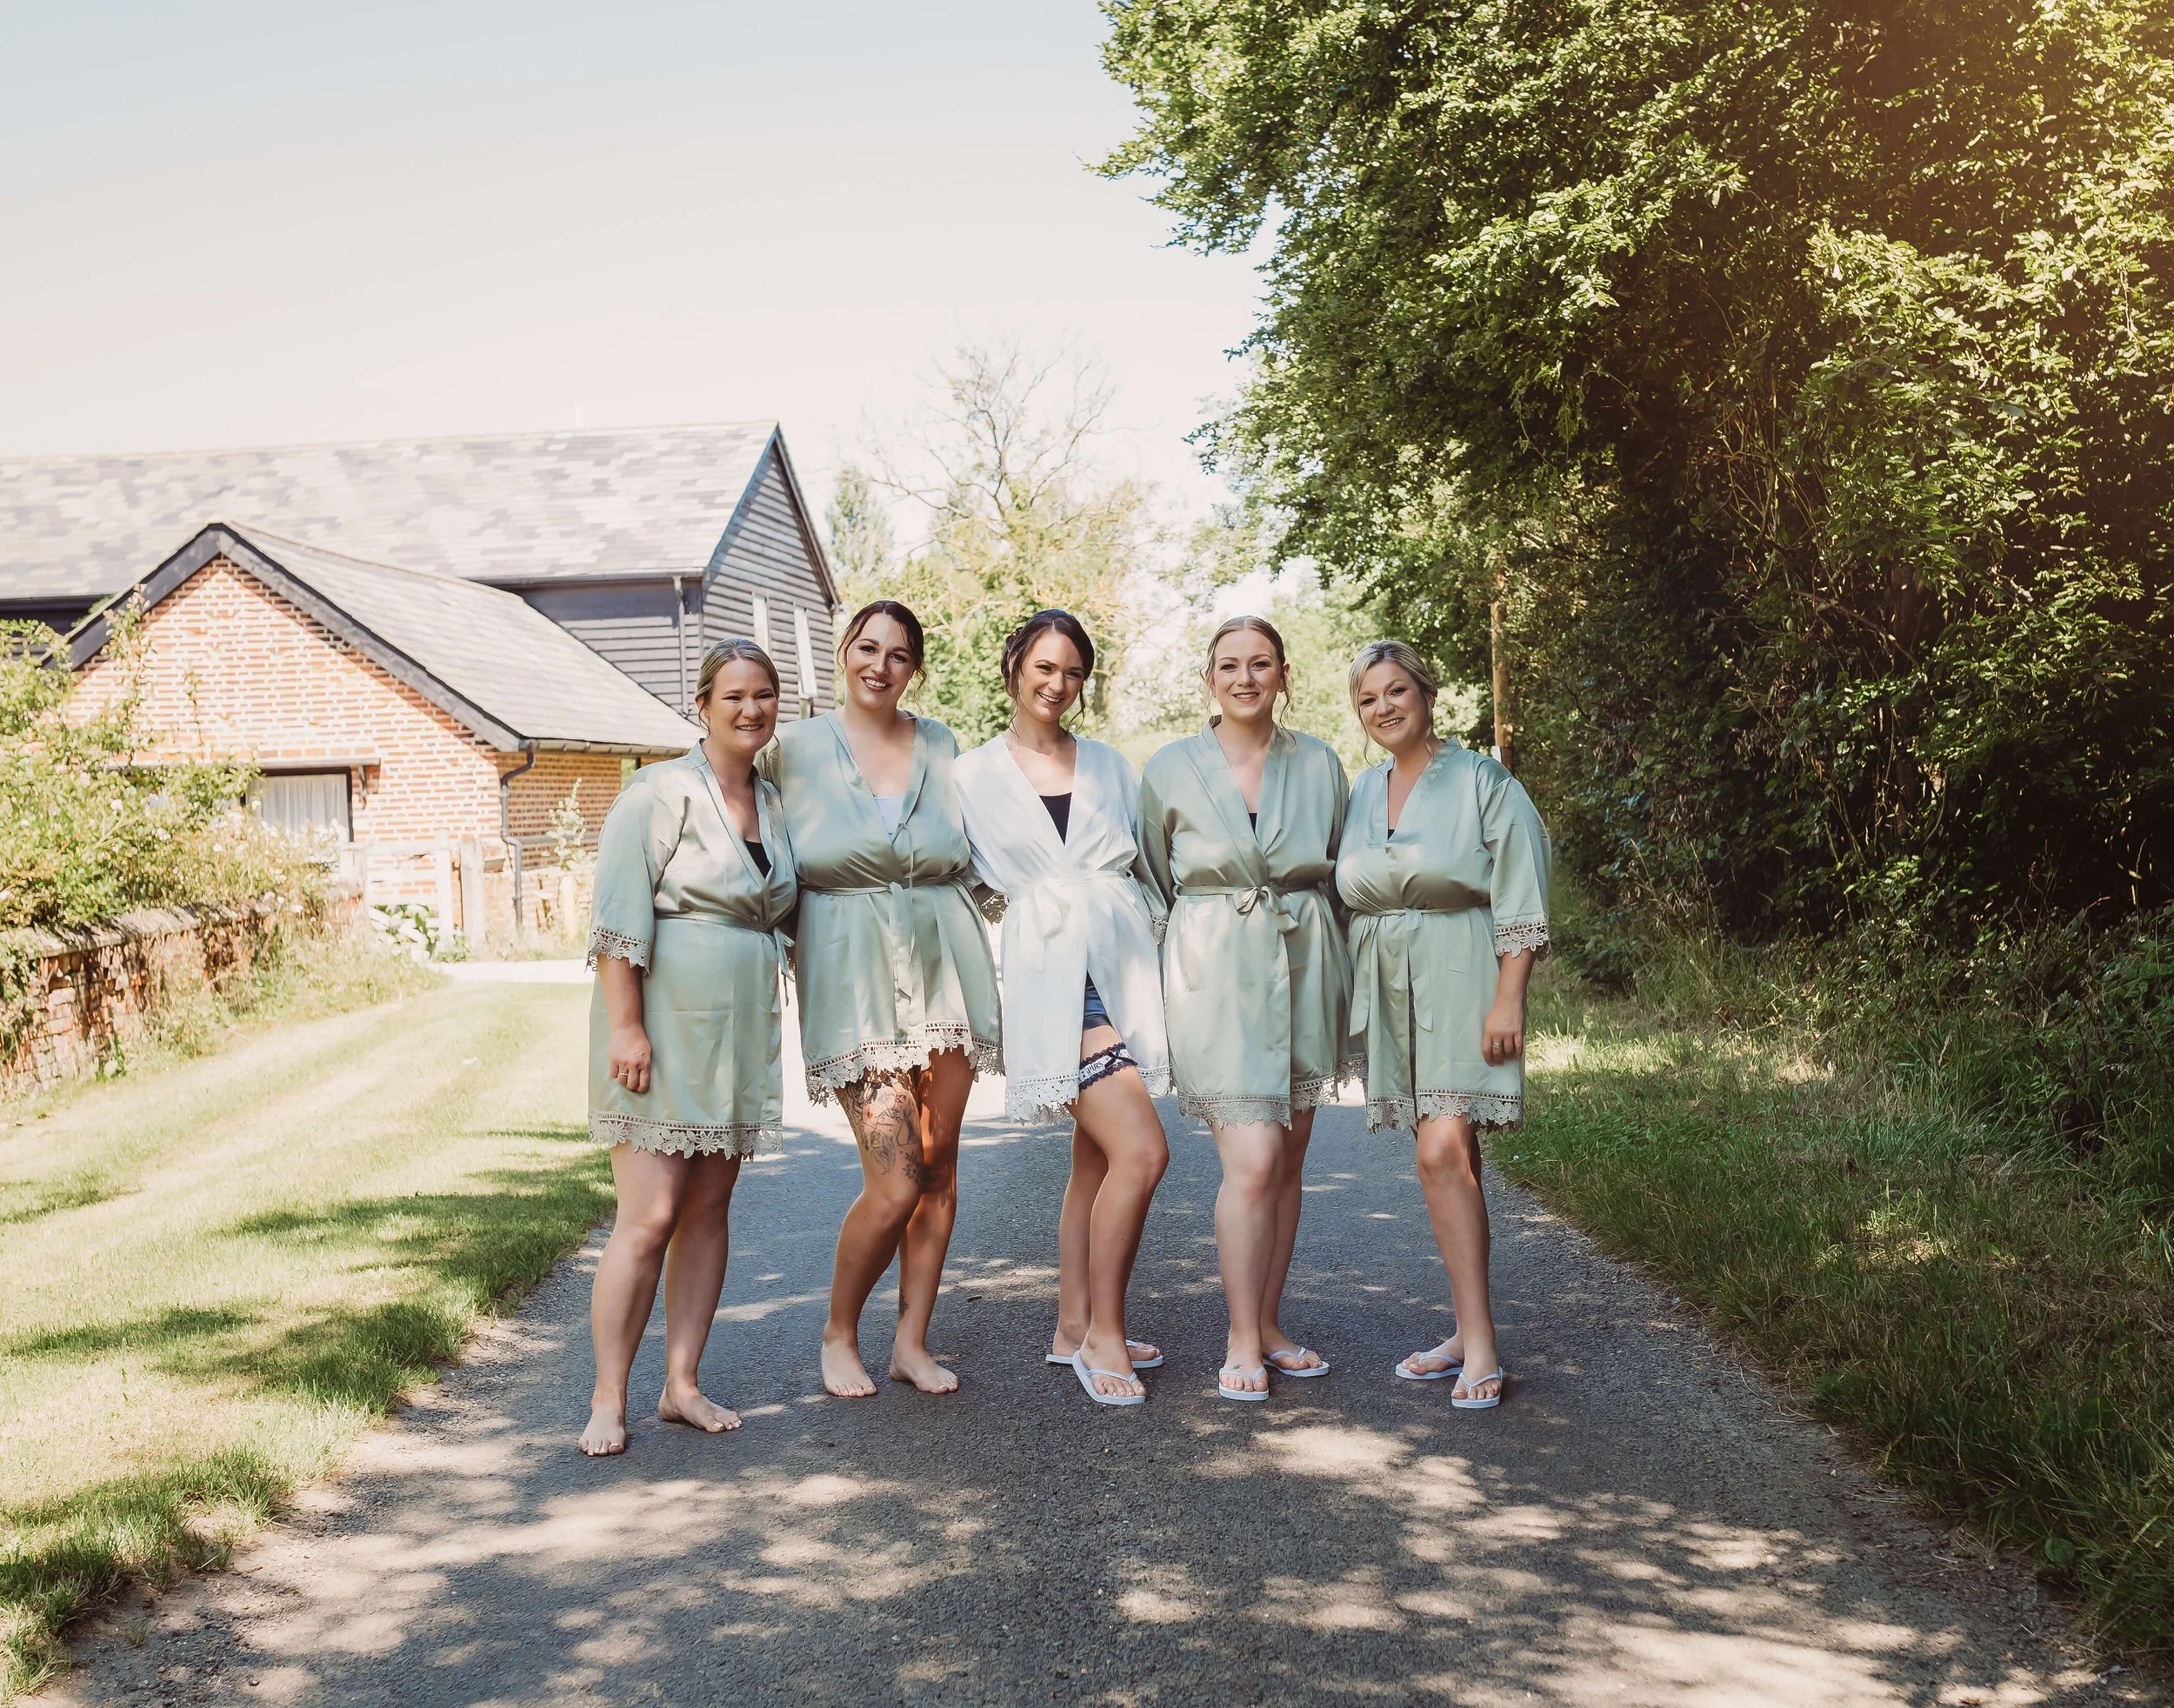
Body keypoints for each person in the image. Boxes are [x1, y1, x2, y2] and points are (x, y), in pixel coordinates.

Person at [761, 600, 1001, 1398]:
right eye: (868, 647)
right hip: (853, 978)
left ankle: (911, 1342)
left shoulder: (940, 744)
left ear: (916, 669)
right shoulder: (789, 749)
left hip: (947, 976)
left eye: (900, 654)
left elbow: (984, 851)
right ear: (843, 653)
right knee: (894, 1179)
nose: (881, 665)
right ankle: (839, 1332)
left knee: (937, 1171)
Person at [579, 639, 797, 1456]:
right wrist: (626, 1026)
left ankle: (682, 1385)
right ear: (702, 705)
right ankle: (608, 1398)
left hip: (736, 1032)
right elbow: (615, 918)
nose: (752, 709)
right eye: (735, 695)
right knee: (649, 1216)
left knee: (708, 1212)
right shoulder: (658, 791)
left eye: (765, 695)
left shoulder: (771, 802)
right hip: (662, 1027)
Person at [955, 610, 1173, 1406]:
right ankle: (1104, 1337)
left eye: (1073, 672)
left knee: (1099, 1161)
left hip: (1123, 967)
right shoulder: (970, 774)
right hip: (1057, 977)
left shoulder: (1113, 765)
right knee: (1144, 1153)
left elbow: (1153, 868)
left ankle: (1071, 1327)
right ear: (1014, 664)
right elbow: (957, 876)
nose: (1057, 684)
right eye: (1044, 667)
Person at [1137, 616, 1355, 1402]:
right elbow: (1154, 881)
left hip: (1304, 962)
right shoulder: (1168, 768)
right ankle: (1238, 1340)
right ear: (1208, 678)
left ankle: (1268, 1322)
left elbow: (1340, 873)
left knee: (1289, 1158)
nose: (1245, 678)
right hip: (1215, 971)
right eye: (1229, 665)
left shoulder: (1323, 763)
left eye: (1260, 664)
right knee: (1253, 1159)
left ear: (1284, 673)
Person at [1338, 639, 1551, 1411]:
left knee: (1439, 1153)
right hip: (1393, 986)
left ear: (1427, 696)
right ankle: (1466, 1330)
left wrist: (1510, 997)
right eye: (1368, 699)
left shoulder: (1482, 780)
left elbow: (1522, 885)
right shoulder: (1362, 790)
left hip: (1464, 974)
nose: (1384, 707)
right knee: (1452, 1157)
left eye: (1397, 691)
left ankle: (1483, 1343)